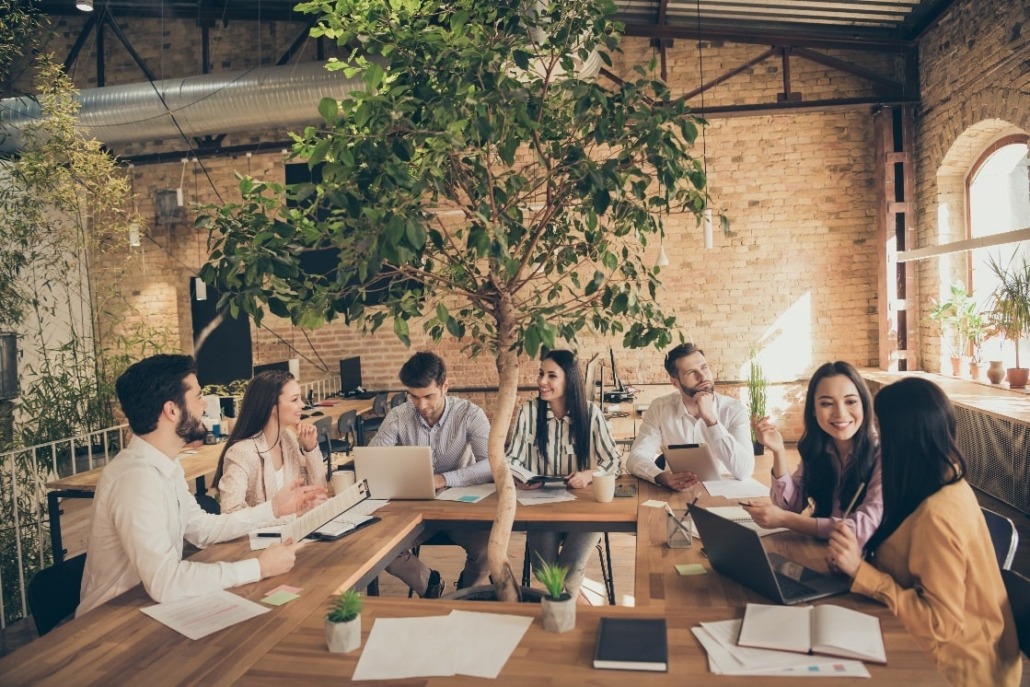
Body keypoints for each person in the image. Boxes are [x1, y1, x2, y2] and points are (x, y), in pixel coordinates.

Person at [77, 355, 324, 617]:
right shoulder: (136, 479)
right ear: (172, 410)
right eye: (197, 396)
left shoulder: (166, 466)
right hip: (110, 622)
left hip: (146, 607)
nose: (204, 404)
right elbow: (165, 582)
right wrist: (258, 568)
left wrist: (273, 509)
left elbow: (201, 530)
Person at [827, 378, 1021, 687]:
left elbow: (940, 624)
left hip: (958, 670)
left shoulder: (937, 514)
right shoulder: (940, 480)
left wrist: (861, 571)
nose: (878, 439)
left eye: (882, 429)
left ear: (902, 440)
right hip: (934, 647)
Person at [369, 351, 492, 597]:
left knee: (488, 551)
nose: (421, 405)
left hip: (460, 505)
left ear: (445, 386)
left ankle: (465, 595)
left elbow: (491, 464)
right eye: (413, 397)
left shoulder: (469, 414)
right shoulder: (398, 416)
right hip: (414, 509)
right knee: (382, 549)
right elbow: (373, 460)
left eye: (428, 396)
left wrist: (445, 479)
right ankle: (431, 584)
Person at [507, 350, 620, 599]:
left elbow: (614, 460)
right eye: (540, 374)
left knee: (568, 573)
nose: (541, 382)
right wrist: (519, 477)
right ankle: (564, 605)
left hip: (586, 508)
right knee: (544, 570)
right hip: (542, 504)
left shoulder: (590, 414)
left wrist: (589, 474)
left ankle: (566, 609)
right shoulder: (529, 412)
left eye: (551, 376)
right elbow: (512, 457)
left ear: (569, 380)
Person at [744, 361, 882, 547]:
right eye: (826, 403)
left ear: (865, 406)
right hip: (826, 554)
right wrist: (778, 451)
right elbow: (790, 506)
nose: (840, 413)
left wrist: (787, 520)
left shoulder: (883, 453)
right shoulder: (820, 448)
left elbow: (863, 528)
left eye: (850, 401)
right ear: (814, 411)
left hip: (866, 566)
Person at [627, 343, 753, 490]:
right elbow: (636, 458)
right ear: (675, 382)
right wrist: (661, 477)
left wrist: (711, 420)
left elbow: (744, 471)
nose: (702, 376)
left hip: (726, 490)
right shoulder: (660, 408)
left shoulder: (733, 410)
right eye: (691, 372)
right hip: (678, 491)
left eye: (704, 367)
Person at [214, 370, 327, 517]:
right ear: (272, 407)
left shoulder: (288, 440)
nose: (302, 405)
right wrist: (291, 514)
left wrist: (310, 448)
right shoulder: (241, 453)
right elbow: (231, 513)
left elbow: (319, 490)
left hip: (293, 532)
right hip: (264, 538)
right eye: (294, 400)